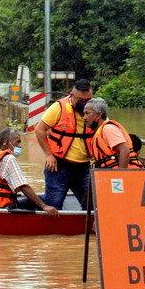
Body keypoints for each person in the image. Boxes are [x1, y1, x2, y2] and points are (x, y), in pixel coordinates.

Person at [36, 79, 95, 210]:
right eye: (80, 100)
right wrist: (48, 155)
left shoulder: (96, 110)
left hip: (83, 168)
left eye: (88, 100)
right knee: (53, 206)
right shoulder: (59, 107)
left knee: (92, 206)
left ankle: (87, 230)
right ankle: (25, 202)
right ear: (71, 95)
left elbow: (104, 132)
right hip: (58, 166)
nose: (85, 103)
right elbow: (39, 130)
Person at [0, 128, 58, 212]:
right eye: (17, 142)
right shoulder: (9, 158)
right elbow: (22, 186)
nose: (20, 146)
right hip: (0, 207)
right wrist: (44, 206)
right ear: (6, 142)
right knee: (41, 200)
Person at [84, 98, 145, 170]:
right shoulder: (100, 131)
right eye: (84, 114)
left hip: (124, 177)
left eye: (87, 113)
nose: (84, 117)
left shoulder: (108, 129)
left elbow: (124, 150)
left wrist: (120, 175)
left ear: (99, 115)